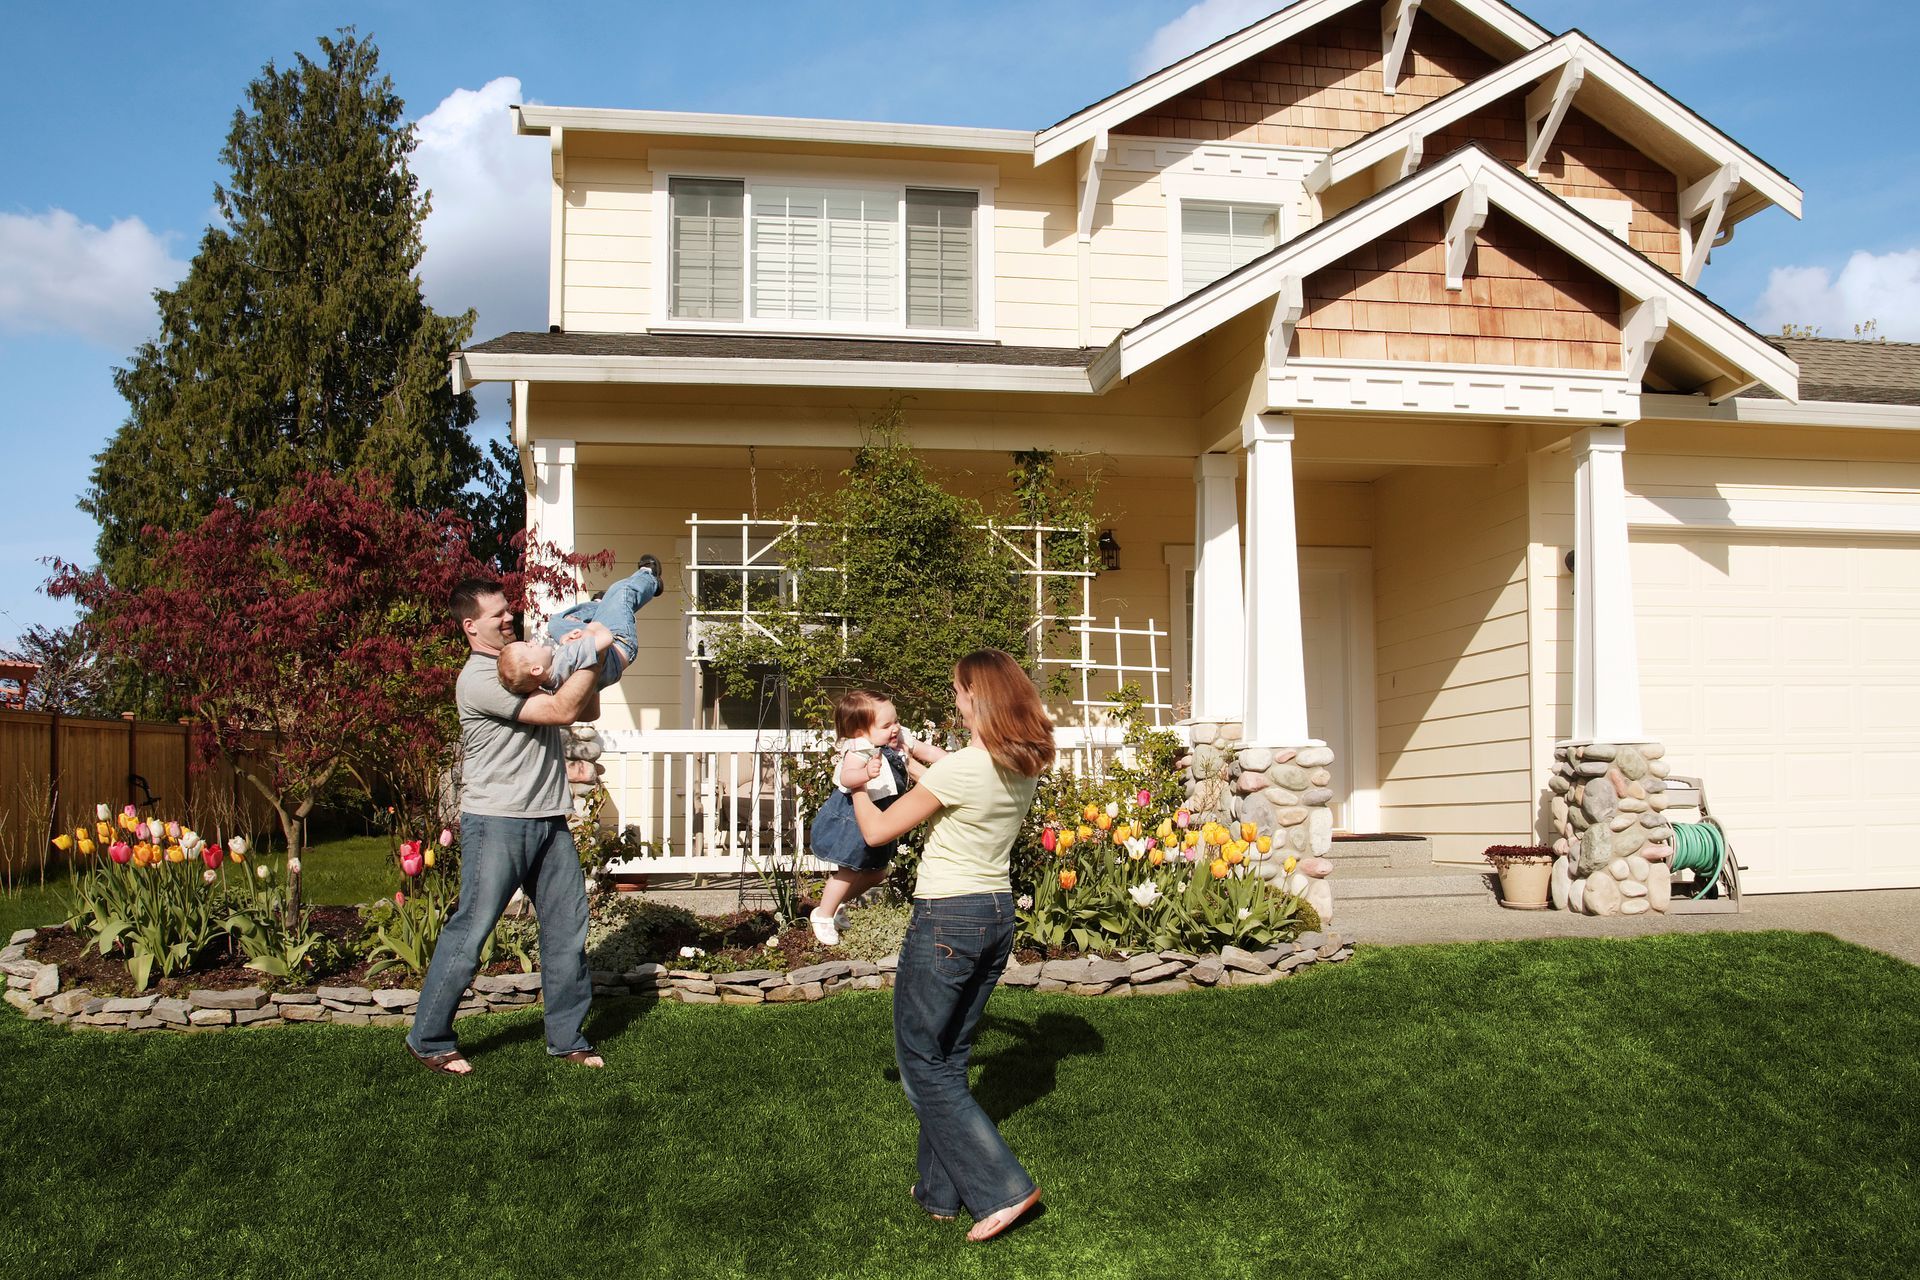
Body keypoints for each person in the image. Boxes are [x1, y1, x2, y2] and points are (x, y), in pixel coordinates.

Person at [848, 649, 1053, 1242]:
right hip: (995, 915)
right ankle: (940, 1193)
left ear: (978, 698)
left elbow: (878, 830)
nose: (956, 699)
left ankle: (1003, 1189)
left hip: (947, 920)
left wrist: (856, 785)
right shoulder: (1020, 761)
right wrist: (910, 750)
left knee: (920, 1064)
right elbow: (948, 771)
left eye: (960, 691)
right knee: (950, 1058)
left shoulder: (964, 769)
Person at [405, 578, 607, 1076]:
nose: (508, 618)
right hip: (497, 822)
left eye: (508, 610)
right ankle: (428, 1037)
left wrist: (590, 657)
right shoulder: (481, 678)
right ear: (471, 626)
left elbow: (588, 706)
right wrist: (588, 650)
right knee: (471, 930)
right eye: (497, 615)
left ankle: (567, 1039)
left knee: (566, 932)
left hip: (548, 818)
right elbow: (562, 711)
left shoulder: (522, 664)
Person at [805, 690, 946, 945]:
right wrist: (866, 774)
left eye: (896, 720)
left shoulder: (900, 738)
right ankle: (823, 914)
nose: (895, 728)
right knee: (848, 870)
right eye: (886, 725)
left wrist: (953, 762)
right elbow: (847, 777)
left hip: (881, 813)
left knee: (878, 873)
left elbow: (928, 752)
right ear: (861, 731)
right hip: (853, 815)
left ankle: (835, 903)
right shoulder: (859, 749)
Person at [497, 556, 661, 695]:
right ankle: (649, 577)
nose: (532, 642)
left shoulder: (551, 680)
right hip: (620, 643)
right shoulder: (568, 657)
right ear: (536, 669)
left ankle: (600, 605)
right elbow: (605, 638)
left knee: (555, 623)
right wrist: (587, 630)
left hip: (604, 647)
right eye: (529, 647)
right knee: (621, 592)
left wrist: (568, 639)